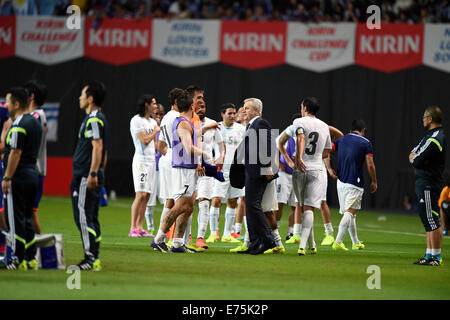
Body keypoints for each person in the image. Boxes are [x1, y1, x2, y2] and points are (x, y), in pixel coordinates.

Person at [151, 90, 211, 253]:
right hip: (182, 168)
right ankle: (159, 238)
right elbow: (186, 145)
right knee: (178, 205)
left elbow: (165, 143)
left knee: (189, 205)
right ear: (191, 105)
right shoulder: (181, 121)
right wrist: (204, 154)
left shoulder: (179, 120)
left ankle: (178, 242)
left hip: (184, 166)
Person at [278, 97, 332, 256]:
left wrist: (289, 160)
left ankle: (303, 245)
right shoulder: (324, 126)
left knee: (301, 205)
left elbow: (280, 142)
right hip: (317, 169)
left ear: (305, 108)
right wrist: (314, 157)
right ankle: (310, 244)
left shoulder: (298, 122)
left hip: (299, 169)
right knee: (309, 208)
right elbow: (328, 151)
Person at [2, 86, 42, 270]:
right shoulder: (34, 122)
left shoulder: (19, 124)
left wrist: (7, 177)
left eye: (8, 102)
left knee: (14, 220)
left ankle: (16, 259)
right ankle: (30, 258)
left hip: (18, 178)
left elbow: (15, 152)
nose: (6, 106)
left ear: (16, 104)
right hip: (32, 175)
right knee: (26, 218)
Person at [70, 81, 108, 271]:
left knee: (83, 216)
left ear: (90, 99)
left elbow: (98, 146)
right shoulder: (95, 118)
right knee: (90, 217)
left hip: (86, 175)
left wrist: (93, 173)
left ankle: (90, 258)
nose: (80, 97)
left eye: (83, 94)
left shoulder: (93, 119)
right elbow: (104, 151)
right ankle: (95, 255)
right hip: (89, 174)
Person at [234, 97, 277, 255]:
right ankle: (255, 242)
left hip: (259, 172)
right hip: (251, 171)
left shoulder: (261, 123)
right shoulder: (251, 125)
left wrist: (267, 168)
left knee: (253, 205)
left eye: (247, 108)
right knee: (251, 206)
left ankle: (267, 238)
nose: (243, 110)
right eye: (243, 107)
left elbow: (267, 146)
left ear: (257, 111)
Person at [326, 119, 377, 252]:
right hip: (355, 182)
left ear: (350, 130)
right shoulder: (366, 143)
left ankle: (356, 242)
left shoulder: (342, 140)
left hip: (340, 182)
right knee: (350, 212)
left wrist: (329, 169)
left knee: (350, 213)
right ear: (363, 131)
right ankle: (338, 241)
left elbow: (326, 150)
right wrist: (374, 181)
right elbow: (370, 164)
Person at [410, 106, 446, 266]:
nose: (423, 120)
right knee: (427, 219)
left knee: (432, 219)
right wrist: (414, 157)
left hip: (429, 183)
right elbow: (413, 152)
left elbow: (416, 159)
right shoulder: (429, 136)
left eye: (424, 117)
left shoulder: (435, 137)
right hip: (423, 182)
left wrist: (414, 158)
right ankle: (429, 255)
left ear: (430, 119)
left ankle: (436, 257)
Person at [206, 103, 245, 246]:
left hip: (236, 170)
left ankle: (227, 234)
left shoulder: (241, 128)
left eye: (234, 113)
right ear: (223, 114)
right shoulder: (216, 127)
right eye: (230, 113)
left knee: (233, 201)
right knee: (216, 200)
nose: (233, 116)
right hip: (221, 170)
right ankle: (213, 232)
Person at [193, 101, 225, 250]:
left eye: (203, 107)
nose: (200, 110)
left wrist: (221, 157)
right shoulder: (188, 122)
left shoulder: (213, 123)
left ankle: (200, 237)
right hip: (190, 167)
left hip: (206, 167)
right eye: (198, 107)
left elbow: (220, 143)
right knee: (186, 203)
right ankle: (183, 236)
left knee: (204, 202)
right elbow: (193, 137)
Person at [129, 94, 159, 238]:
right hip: (141, 162)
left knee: (146, 195)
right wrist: (155, 131)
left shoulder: (152, 122)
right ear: (146, 104)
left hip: (151, 161)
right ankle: (133, 228)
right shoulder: (136, 120)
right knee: (140, 194)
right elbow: (145, 140)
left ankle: (140, 228)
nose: (156, 106)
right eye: (153, 103)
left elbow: (156, 144)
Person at [157, 88, 183, 243]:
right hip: (176, 157)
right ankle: (166, 236)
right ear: (175, 101)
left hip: (168, 157)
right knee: (179, 200)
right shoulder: (178, 117)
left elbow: (160, 145)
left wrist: (169, 155)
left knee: (170, 200)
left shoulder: (166, 116)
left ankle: (163, 236)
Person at [24, 80, 48, 235]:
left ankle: (38, 251)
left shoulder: (36, 115)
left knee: (31, 213)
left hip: (33, 170)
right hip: (34, 171)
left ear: (31, 96)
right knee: (29, 213)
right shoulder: (36, 115)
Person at [145, 103, 165, 235]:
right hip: (151, 166)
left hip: (163, 167)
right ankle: (150, 226)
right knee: (149, 198)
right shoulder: (149, 127)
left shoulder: (166, 127)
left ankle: (165, 226)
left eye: (161, 114)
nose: (158, 116)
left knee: (165, 198)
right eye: (156, 114)